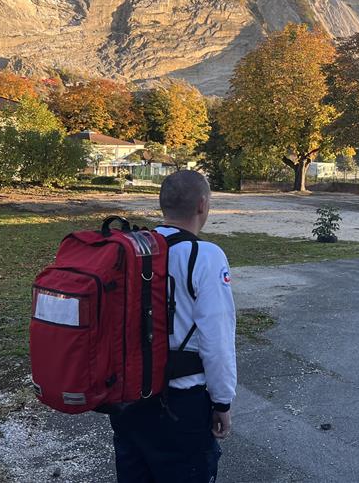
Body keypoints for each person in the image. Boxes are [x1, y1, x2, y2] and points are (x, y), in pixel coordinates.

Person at [110, 170, 237, 483]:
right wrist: (222, 401)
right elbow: (217, 339)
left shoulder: (132, 249)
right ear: (202, 205)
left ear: (162, 204)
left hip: (128, 401)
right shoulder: (204, 256)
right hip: (181, 406)